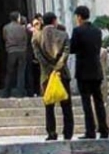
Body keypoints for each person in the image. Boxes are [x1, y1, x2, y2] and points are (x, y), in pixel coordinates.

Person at [69, 6, 109, 139]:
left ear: (79, 17)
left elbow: (72, 48)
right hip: (96, 70)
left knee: (86, 102)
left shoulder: (77, 31)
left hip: (83, 71)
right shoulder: (97, 31)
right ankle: (104, 128)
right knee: (99, 101)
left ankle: (90, 130)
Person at [34, 11, 73, 140]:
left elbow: (38, 56)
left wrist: (50, 69)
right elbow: (66, 53)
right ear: (55, 21)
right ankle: (68, 132)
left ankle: (51, 132)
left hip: (46, 75)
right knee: (66, 105)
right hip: (62, 74)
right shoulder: (64, 35)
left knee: (49, 105)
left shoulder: (36, 37)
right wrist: (58, 67)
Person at [2, 13, 29, 98]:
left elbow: (5, 38)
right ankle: (20, 92)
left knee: (9, 72)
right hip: (22, 51)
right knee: (21, 72)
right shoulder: (22, 28)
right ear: (17, 18)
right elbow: (26, 39)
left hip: (11, 51)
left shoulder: (6, 28)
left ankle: (6, 93)